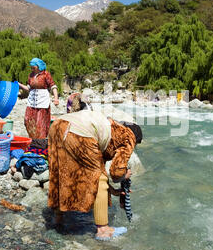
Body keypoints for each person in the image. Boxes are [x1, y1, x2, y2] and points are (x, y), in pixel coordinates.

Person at [48, 110, 143, 240]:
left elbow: (97, 168)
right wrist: (124, 176)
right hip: (78, 132)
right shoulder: (129, 136)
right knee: (99, 178)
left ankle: (58, 217)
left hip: (57, 126)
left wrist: (114, 191)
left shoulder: (110, 128)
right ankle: (103, 230)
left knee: (61, 172)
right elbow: (115, 173)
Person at [18, 58, 59, 139]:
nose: (32, 68)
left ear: (38, 66)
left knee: (40, 123)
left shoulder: (45, 74)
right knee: (28, 120)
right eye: (31, 67)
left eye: (34, 67)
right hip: (32, 101)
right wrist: (19, 84)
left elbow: (53, 86)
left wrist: (56, 98)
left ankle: (40, 141)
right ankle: (33, 139)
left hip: (42, 101)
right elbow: (28, 88)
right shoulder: (31, 75)